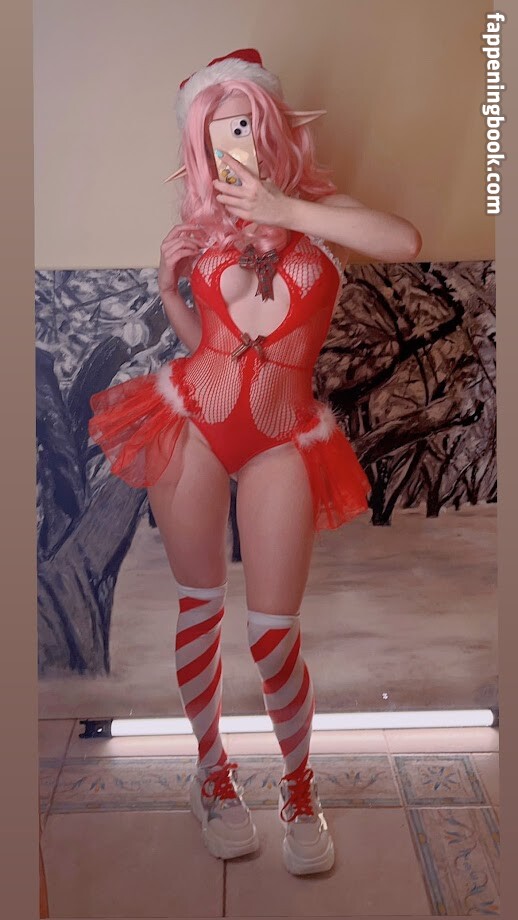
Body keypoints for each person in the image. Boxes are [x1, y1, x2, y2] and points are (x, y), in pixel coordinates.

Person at [88, 48, 421, 876]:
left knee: (274, 636)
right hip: (192, 423)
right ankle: (212, 775)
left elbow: (405, 240)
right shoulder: (205, 228)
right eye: (213, 136)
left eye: (240, 126)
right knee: (200, 608)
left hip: (283, 438)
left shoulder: (320, 210)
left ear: (268, 125)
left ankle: (299, 787)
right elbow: (211, 344)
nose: (229, 147)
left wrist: (284, 208)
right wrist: (169, 291)